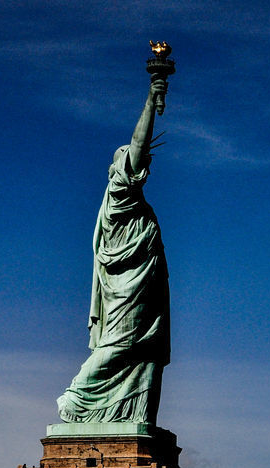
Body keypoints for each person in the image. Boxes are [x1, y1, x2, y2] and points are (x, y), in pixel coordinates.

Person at [58, 75, 171, 425]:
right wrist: (152, 99)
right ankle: (76, 398)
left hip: (144, 292)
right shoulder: (120, 195)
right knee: (119, 344)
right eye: (133, 163)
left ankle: (130, 414)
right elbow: (139, 145)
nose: (142, 167)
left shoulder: (135, 204)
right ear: (119, 171)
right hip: (127, 291)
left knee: (144, 353)